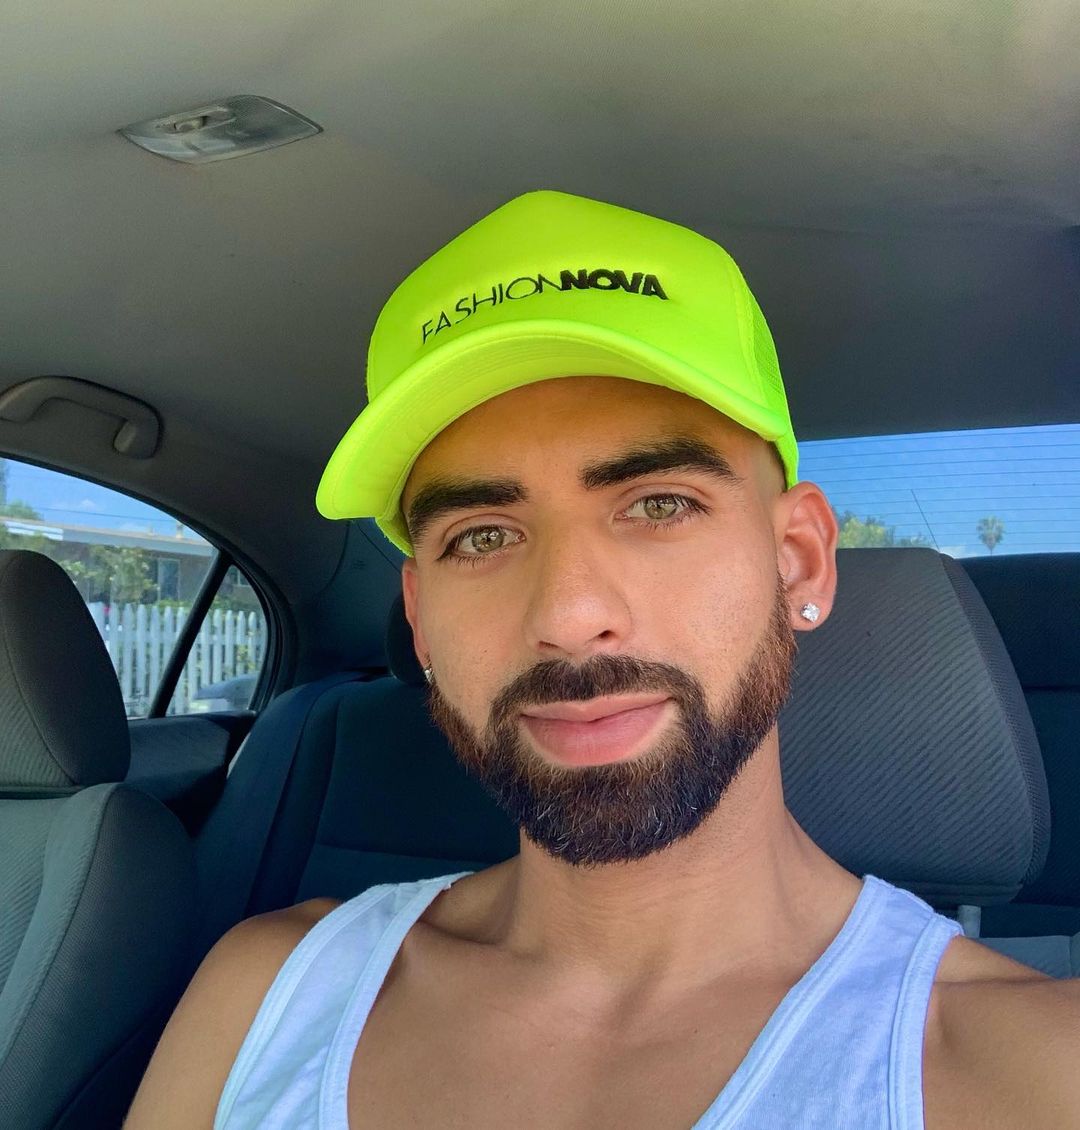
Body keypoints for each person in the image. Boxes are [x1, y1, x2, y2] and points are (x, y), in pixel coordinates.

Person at [127, 191, 1079, 1129]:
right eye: (481, 536)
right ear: (419, 618)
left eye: (660, 505)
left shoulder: (1034, 1069)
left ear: (798, 561)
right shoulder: (268, 991)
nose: (569, 617)